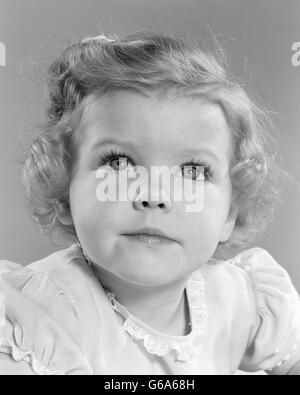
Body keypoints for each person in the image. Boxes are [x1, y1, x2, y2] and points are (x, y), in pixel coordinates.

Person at [0, 31, 300, 375]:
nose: (155, 195)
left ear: (229, 214)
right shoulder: (43, 315)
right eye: (119, 163)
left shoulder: (242, 299)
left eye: (192, 171)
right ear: (65, 190)